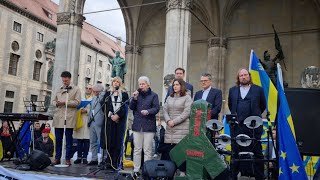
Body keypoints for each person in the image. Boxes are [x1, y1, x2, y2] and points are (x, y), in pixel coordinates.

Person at [228, 68, 266, 180]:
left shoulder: (258, 90)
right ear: (238, 78)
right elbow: (231, 105)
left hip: (253, 126)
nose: (243, 77)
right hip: (237, 126)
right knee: (235, 152)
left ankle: (260, 176)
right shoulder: (232, 90)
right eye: (241, 76)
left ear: (249, 76)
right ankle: (233, 176)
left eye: (245, 75)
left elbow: (262, 105)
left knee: (257, 151)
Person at [129, 76, 160, 177]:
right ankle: (136, 169)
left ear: (148, 84)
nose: (141, 86)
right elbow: (131, 107)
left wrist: (148, 111)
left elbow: (156, 108)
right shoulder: (137, 96)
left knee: (147, 149)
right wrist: (134, 98)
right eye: (140, 84)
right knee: (137, 149)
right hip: (137, 125)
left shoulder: (154, 95)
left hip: (149, 125)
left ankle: (147, 169)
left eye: (143, 84)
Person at [161, 78, 193, 176]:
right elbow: (164, 110)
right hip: (170, 129)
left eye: (177, 85)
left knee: (181, 151)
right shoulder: (170, 98)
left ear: (182, 86)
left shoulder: (187, 97)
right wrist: (168, 120)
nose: (175, 86)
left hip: (181, 128)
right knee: (170, 152)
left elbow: (187, 113)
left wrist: (174, 122)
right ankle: (171, 172)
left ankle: (183, 172)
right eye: (174, 85)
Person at [52, 71, 81, 166]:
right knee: (58, 139)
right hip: (58, 117)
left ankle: (68, 158)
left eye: (66, 80)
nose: (64, 82)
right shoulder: (59, 89)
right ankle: (57, 158)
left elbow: (77, 102)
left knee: (68, 140)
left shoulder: (76, 89)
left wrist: (65, 102)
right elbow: (53, 100)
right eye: (63, 80)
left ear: (69, 79)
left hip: (68, 117)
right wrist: (56, 103)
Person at [100, 77, 129, 169]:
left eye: (117, 82)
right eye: (114, 81)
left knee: (118, 142)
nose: (115, 83)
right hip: (109, 121)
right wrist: (111, 115)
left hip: (119, 121)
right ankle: (109, 161)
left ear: (120, 84)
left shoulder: (124, 94)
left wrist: (118, 116)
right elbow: (103, 106)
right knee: (109, 141)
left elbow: (125, 106)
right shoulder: (108, 94)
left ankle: (116, 162)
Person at [194, 73, 222, 143]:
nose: (203, 82)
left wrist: (205, 116)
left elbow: (217, 108)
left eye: (205, 80)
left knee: (210, 144)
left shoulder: (217, 92)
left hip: (211, 123)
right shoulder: (198, 93)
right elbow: (194, 107)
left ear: (210, 81)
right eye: (202, 81)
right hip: (198, 124)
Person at [73, 84, 93, 164]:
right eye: (87, 88)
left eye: (90, 88)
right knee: (79, 141)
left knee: (86, 141)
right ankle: (78, 157)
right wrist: (80, 110)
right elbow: (75, 109)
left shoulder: (93, 99)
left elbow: (94, 110)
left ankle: (85, 157)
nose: (88, 89)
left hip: (88, 122)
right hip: (80, 120)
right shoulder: (80, 99)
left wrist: (87, 111)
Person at [87, 83, 105, 166]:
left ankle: (103, 159)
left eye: (94, 91)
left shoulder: (103, 97)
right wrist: (88, 121)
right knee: (93, 142)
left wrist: (101, 94)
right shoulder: (93, 98)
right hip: (92, 122)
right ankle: (94, 158)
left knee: (101, 142)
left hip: (100, 122)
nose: (93, 92)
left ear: (99, 91)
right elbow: (91, 110)